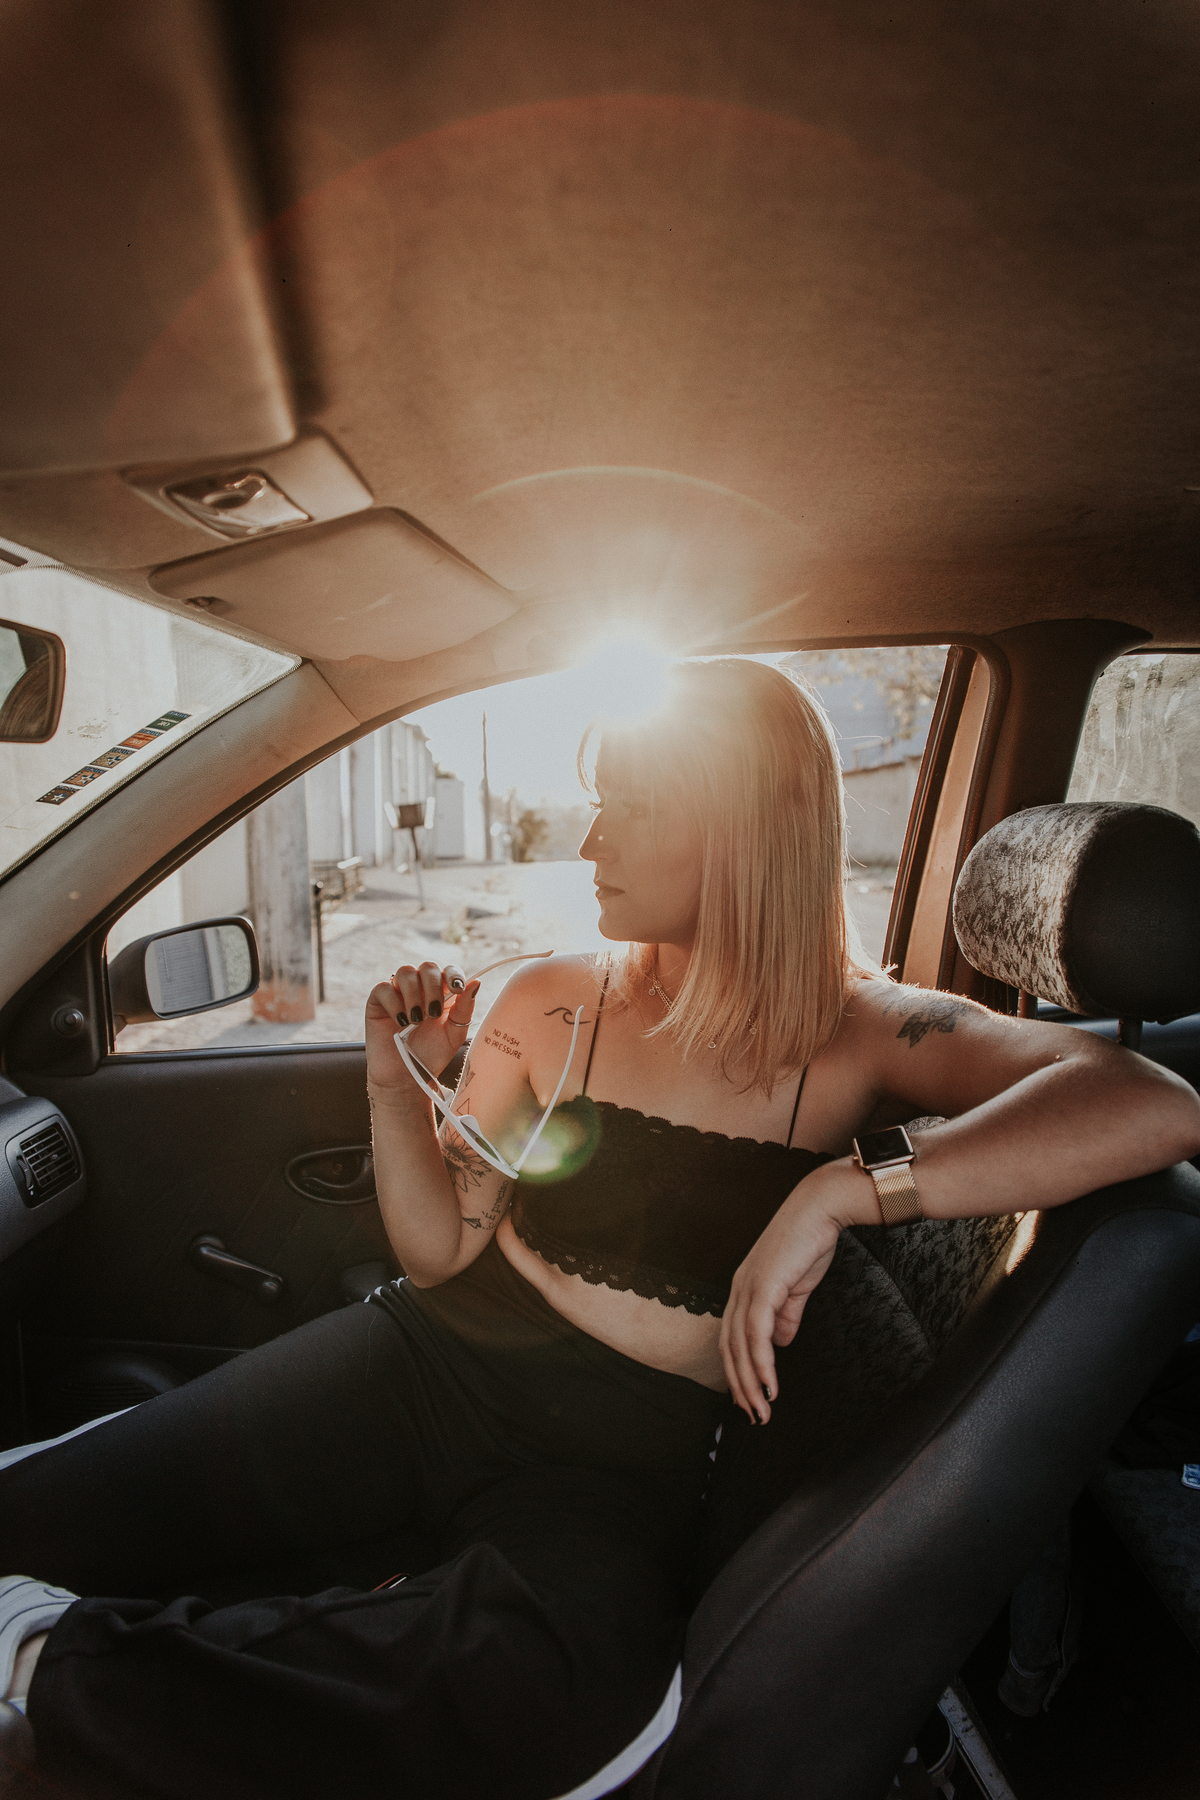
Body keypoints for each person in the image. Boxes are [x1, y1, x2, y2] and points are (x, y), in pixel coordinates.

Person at [2, 658, 1197, 1799]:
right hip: (427, 1365)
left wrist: (842, 1189)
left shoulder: (862, 1029)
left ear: (743, 830)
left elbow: (1150, 1103)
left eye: (631, 808)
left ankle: (48, 1662)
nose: (588, 841)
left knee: (558, 1688)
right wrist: (390, 1081)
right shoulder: (545, 998)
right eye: (595, 803)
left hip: (622, 1463)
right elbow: (439, 1253)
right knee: (40, 1520)